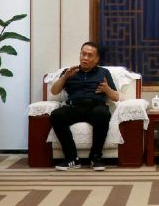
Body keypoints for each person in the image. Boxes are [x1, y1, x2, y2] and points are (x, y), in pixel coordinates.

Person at [50, 41, 119, 171]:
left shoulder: (104, 72)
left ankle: (95, 158)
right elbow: (54, 91)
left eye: (90, 55)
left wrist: (106, 89)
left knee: (102, 113)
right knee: (56, 115)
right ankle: (71, 159)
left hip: (95, 107)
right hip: (74, 107)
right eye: (83, 54)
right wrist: (65, 77)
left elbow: (116, 97)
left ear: (97, 59)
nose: (85, 58)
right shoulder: (70, 72)